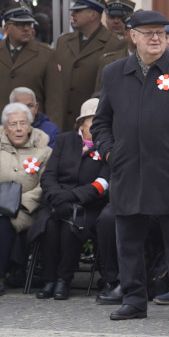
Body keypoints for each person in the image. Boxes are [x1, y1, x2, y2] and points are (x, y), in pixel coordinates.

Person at [92, 10, 169, 322]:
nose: (156, 38)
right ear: (133, 36)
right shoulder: (114, 73)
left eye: (160, 32)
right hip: (127, 170)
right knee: (129, 240)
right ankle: (134, 299)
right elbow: (101, 122)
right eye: (148, 33)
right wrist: (109, 153)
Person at [0, 101, 51, 297]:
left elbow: (45, 184)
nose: (19, 129)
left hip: (22, 209)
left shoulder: (44, 151)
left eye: (23, 123)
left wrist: (17, 201)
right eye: (13, 124)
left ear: (30, 126)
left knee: (4, 223)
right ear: (5, 127)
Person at [30, 98, 109, 300]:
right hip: (56, 201)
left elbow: (103, 183)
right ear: (81, 124)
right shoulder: (65, 141)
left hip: (87, 206)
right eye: (93, 121)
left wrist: (72, 197)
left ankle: (63, 280)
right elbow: (49, 175)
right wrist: (56, 196)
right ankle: (49, 279)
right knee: (48, 225)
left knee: (71, 227)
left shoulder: (109, 146)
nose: (98, 126)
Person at [0, 6, 54, 148]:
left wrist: (50, 136)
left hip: (34, 135)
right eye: (20, 25)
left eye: (29, 24)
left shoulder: (46, 54)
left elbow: (54, 100)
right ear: (6, 28)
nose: (27, 28)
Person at [49, 0, 127, 132]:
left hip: (92, 121)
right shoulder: (63, 41)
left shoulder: (115, 43)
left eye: (78, 11)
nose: (73, 15)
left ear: (93, 15)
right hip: (63, 121)